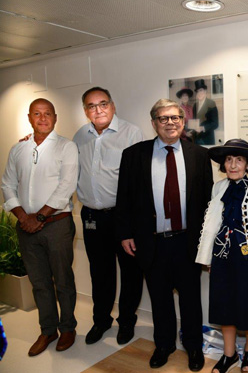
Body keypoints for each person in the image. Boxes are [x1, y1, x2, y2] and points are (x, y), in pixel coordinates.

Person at [116, 99, 213, 370]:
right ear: (154, 123)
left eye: (175, 118)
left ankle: (194, 347)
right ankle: (164, 345)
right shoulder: (134, 155)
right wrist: (125, 233)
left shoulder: (200, 155)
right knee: (159, 298)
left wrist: (207, 242)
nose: (170, 123)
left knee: (191, 299)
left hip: (187, 241)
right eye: (163, 118)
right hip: (152, 241)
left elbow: (207, 204)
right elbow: (123, 199)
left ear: (183, 121)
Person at [1, 98, 78, 356]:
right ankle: (48, 330)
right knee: (39, 282)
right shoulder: (18, 149)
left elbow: (66, 186)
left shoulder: (67, 147)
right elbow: (7, 185)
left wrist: (39, 217)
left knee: (63, 279)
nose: (42, 118)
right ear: (29, 117)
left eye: (47, 114)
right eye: (37, 113)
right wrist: (23, 217)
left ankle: (68, 328)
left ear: (55, 118)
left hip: (57, 225)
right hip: (26, 227)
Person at [196, 139, 248, 373]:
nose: (233, 165)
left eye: (239, 160)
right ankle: (229, 355)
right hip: (223, 257)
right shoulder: (218, 188)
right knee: (224, 307)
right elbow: (213, 223)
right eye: (229, 160)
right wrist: (209, 256)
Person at [73, 87, 144, 345]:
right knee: (99, 273)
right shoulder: (80, 136)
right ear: (85, 111)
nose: (98, 110)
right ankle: (101, 320)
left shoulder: (131, 132)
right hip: (92, 216)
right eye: (91, 106)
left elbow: (139, 180)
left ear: (112, 105)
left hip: (123, 218)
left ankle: (126, 321)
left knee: (130, 272)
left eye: (102, 104)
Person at [191, 78, 219, 145]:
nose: (199, 93)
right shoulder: (195, 105)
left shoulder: (211, 103)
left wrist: (203, 128)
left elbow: (215, 124)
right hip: (196, 139)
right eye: (197, 91)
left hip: (207, 139)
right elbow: (195, 121)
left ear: (205, 91)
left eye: (201, 90)